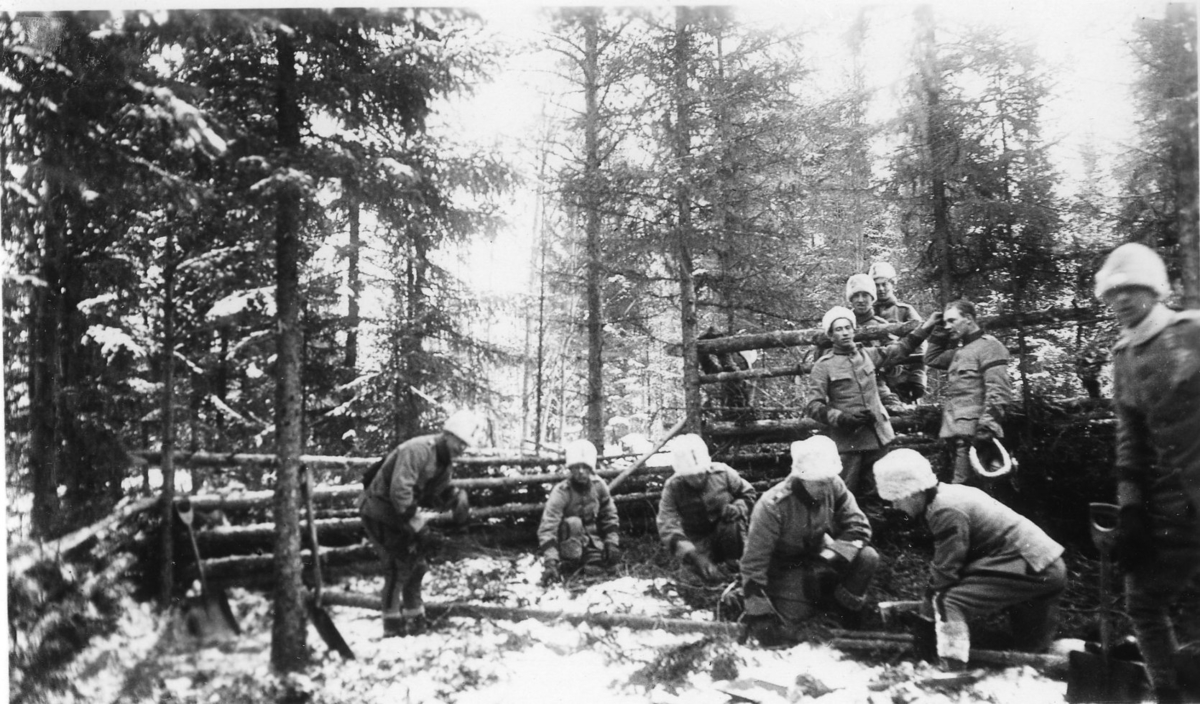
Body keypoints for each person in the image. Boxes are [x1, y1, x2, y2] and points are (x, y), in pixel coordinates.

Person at [1095, 242, 1200, 703]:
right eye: (1112, 293)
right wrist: (1131, 509)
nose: (1121, 300)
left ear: (1155, 290)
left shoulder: (1191, 332)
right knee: (1142, 600)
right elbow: (1130, 438)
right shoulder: (1124, 354)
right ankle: (1169, 694)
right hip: (1169, 503)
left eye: (1131, 289)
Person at [873, 448, 1066, 669]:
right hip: (1044, 564)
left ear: (913, 493)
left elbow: (946, 571)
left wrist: (926, 617)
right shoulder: (951, 495)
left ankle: (952, 667)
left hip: (1033, 566)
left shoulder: (945, 511)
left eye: (896, 499)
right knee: (1031, 656)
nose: (895, 506)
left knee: (949, 601)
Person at [740, 436, 878, 643]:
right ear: (802, 478)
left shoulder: (833, 484)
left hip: (820, 557)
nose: (826, 487)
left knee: (867, 557)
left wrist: (828, 559)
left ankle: (841, 613)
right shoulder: (772, 506)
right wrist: (759, 613)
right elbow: (753, 563)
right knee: (795, 624)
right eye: (819, 483)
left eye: (829, 480)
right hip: (786, 568)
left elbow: (860, 527)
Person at [358, 410, 478, 637]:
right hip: (379, 511)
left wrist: (455, 497)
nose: (461, 448)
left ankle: (416, 620)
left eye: (465, 445)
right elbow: (400, 492)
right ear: (447, 435)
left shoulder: (444, 464)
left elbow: (433, 495)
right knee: (397, 568)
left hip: (398, 515)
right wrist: (419, 528)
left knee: (417, 566)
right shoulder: (418, 450)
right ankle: (392, 627)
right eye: (459, 442)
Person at [806, 305, 938, 495]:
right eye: (839, 329)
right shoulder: (823, 366)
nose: (845, 333)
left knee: (880, 492)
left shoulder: (868, 355)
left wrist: (927, 326)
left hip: (878, 437)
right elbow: (813, 405)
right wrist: (841, 418)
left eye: (848, 327)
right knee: (846, 494)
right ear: (831, 335)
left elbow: (901, 348)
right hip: (849, 442)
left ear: (854, 330)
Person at [923, 299, 1013, 486]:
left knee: (963, 487)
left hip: (976, 434)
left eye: (952, 320)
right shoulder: (960, 352)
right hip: (955, 431)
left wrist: (987, 427)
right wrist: (939, 329)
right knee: (965, 488)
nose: (948, 326)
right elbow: (931, 358)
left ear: (969, 319)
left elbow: (999, 390)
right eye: (945, 322)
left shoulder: (989, 347)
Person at [657, 434, 758, 582]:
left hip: (728, 535)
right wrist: (693, 555)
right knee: (694, 579)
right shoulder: (673, 487)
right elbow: (666, 525)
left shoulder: (724, 473)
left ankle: (735, 564)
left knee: (732, 524)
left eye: (700, 473)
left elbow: (748, 493)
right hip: (697, 542)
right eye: (690, 476)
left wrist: (738, 507)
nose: (697, 479)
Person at [538, 439, 621, 584]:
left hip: (592, 540)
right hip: (567, 541)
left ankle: (592, 558)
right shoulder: (561, 492)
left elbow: (610, 515)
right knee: (574, 522)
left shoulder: (598, 485)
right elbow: (548, 528)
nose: (581, 471)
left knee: (610, 567)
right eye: (576, 467)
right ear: (570, 469)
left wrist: (611, 542)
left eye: (585, 467)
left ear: (591, 469)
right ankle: (570, 562)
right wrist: (551, 561)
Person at [869, 262, 928, 403]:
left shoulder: (905, 311)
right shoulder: (867, 314)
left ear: (892, 284)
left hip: (902, 381)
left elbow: (920, 345)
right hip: (872, 381)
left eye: (885, 284)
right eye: (876, 285)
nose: (881, 289)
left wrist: (918, 377)